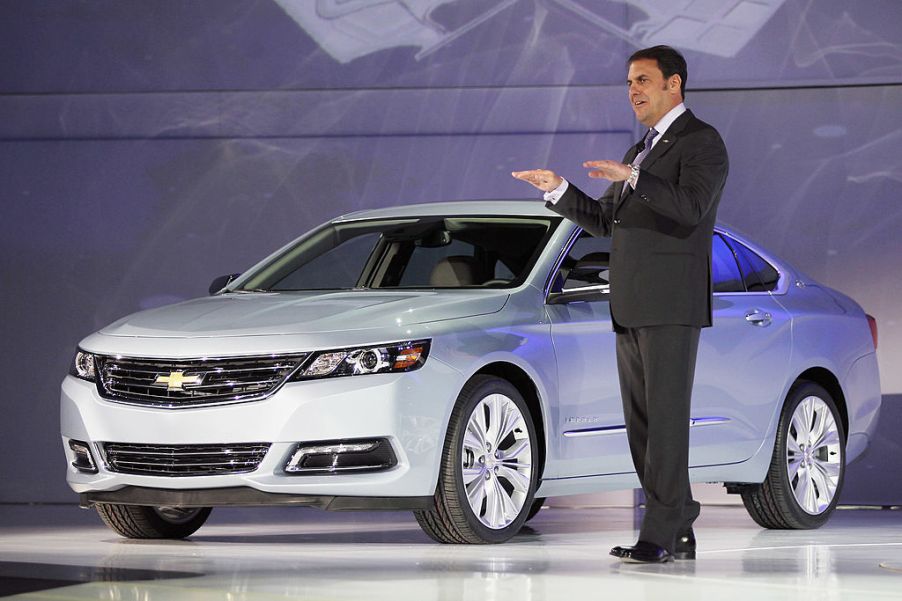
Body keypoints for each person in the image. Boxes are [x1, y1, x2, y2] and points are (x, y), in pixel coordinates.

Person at [512, 45, 729, 564]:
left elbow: (691, 207)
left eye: (643, 80)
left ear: (673, 84)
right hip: (630, 302)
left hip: (672, 302)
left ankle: (660, 531)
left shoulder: (702, 141)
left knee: (667, 421)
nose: (633, 90)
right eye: (629, 82)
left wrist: (634, 178)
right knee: (642, 424)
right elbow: (605, 222)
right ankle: (677, 525)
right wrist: (560, 189)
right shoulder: (639, 152)